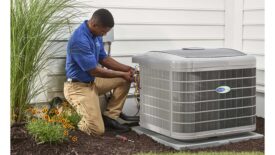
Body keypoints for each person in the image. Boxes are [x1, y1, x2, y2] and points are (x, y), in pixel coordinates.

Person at [64, 8, 134, 136]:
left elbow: (104, 59)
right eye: (103, 31)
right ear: (94, 24)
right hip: (78, 87)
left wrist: (128, 70)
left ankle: (110, 118)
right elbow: (94, 71)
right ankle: (69, 117)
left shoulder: (96, 35)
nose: (104, 34)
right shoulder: (79, 40)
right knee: (97, 130)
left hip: (92, 82)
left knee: (125, 79)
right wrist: (121, 73)